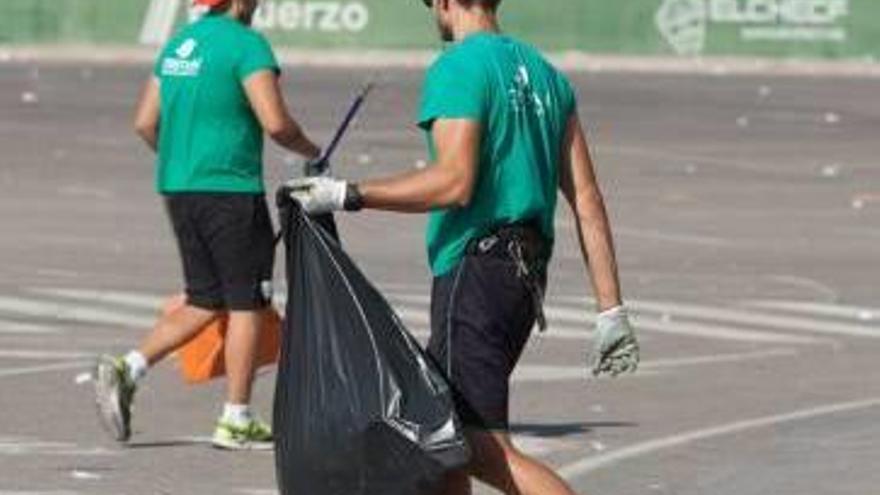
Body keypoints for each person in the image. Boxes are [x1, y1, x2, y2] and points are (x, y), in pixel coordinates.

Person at [286, 0, 640, 492]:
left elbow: (453, 182)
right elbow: (586, 198)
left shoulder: (458, 67)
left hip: (477, 273)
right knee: (444, 446)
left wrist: (348, 194)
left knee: (476, 448)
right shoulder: (546, 75)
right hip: (523, 277)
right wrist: (610, 308)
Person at [93, 0, 322, 450]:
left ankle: (128, 367)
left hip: (179, 188)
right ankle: (235, 418)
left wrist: (188, 160)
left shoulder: (179, 44)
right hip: (230, 194)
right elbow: (275, 122)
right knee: (247, 304)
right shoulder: (247, 45)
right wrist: (314, 153)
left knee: (205, 299)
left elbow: (144, 122)